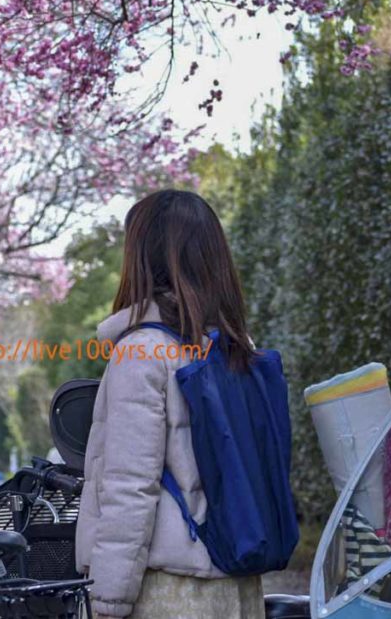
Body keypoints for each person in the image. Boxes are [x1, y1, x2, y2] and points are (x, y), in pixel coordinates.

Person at [75, 190, 264, 619]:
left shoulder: (140, 353)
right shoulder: (240, 351)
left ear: (143, 259)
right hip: (238, 584)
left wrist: (107, 599)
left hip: (167, 592)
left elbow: (130, 488)